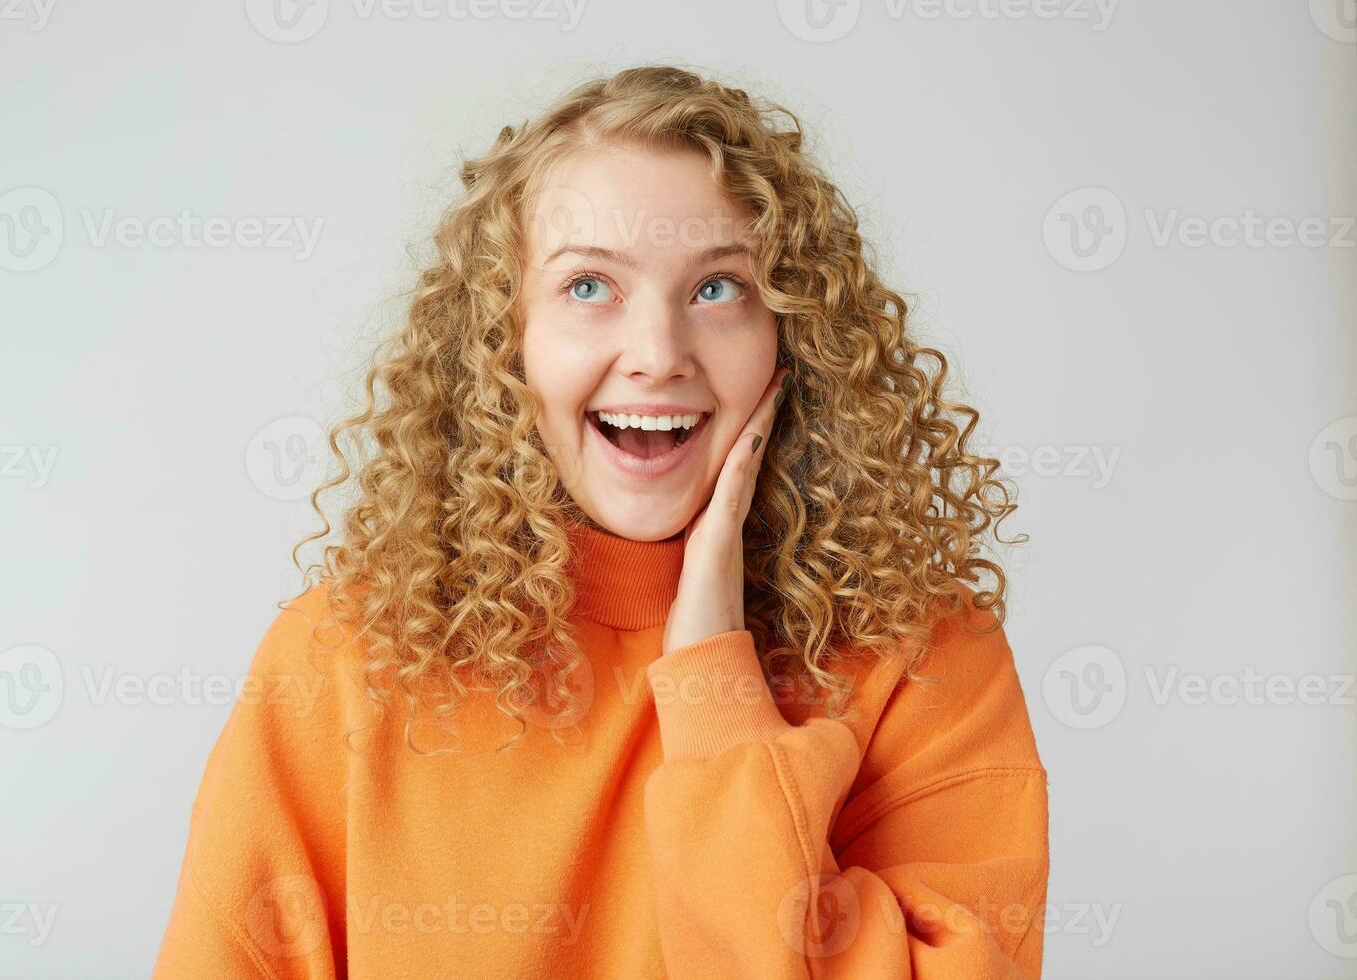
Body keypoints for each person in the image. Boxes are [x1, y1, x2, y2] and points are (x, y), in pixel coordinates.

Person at [153, 64, 1048, 978]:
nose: (658, 357)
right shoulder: (341, 660)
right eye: (589, 288)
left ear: (796, 333)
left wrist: (712, 687)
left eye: (718, 289)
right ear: (505, 343)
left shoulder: (927, 658)